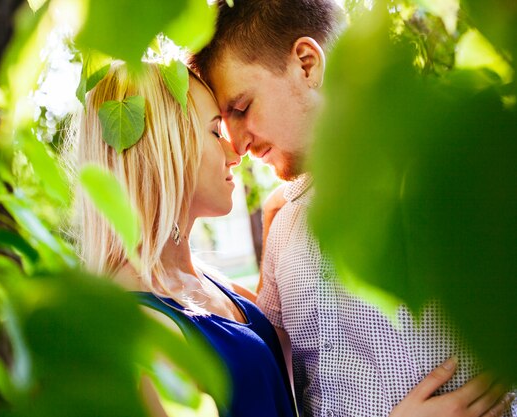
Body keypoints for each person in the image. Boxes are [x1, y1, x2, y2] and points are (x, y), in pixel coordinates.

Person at [190, 1, 516, 416]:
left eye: (241, 108)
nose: (236, 145)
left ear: (306, 65)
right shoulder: (284, 225)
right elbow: (281, 383)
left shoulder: (451, 180)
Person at [73, 61, 297, 417]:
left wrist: (277, 227)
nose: (234, 153)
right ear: (165, 149)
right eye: (214, 132)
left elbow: (276, 364)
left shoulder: (204, 280)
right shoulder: (145, 335)